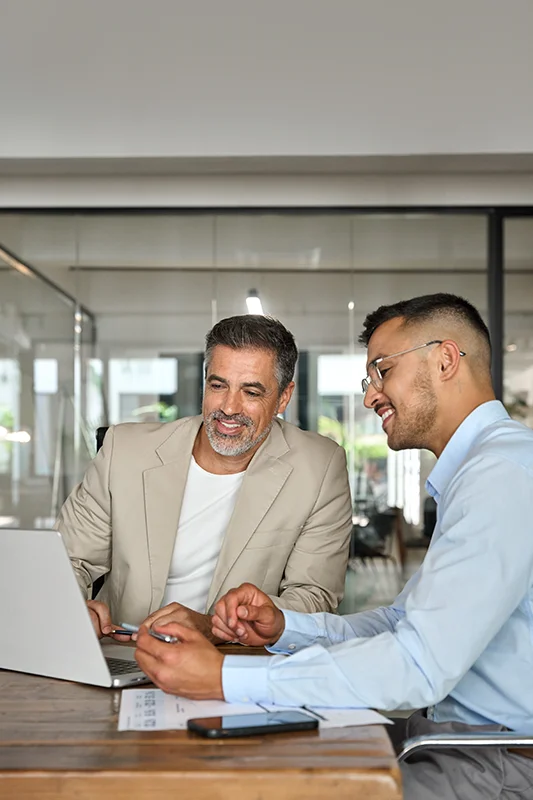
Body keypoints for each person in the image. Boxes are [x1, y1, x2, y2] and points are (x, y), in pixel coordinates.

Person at [135, 293, 533, 800]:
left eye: (382, 371)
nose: (371, 397)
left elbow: (418, 664)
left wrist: (224, 676)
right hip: (447, 742)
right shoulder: (490, 469)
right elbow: (399, 625)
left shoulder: (502, 475)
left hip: (492, 762)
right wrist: (283, 627)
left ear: (446, 359)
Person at [57, 314, 352, 643]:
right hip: (125, 652)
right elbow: (69, 559)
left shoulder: (320, 466)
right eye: (218, 385)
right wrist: (71, 606)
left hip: (235, 663)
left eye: (251, 392)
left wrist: (212, 626)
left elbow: (313, 597)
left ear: (284, 396)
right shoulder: (123, 451)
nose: (228, 407)